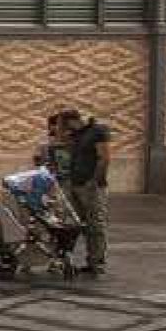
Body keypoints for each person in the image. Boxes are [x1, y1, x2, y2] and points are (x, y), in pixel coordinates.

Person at [49, 107, 112, 275]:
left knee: (95, 223)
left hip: (91, 185)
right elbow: (59, 143)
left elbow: (104, 157)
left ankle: (96, 262)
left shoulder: (97, 131)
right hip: (74, 184)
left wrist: (96, 180)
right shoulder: (76, 135)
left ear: (70, 121)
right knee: (73, 223)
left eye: (62, 124)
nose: (60, 129)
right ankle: (64, 258)